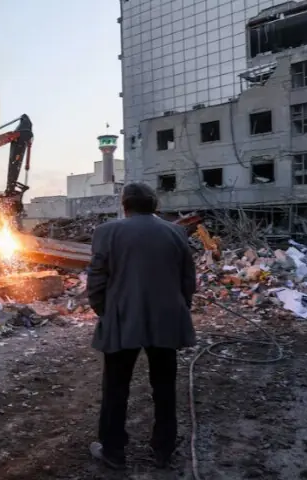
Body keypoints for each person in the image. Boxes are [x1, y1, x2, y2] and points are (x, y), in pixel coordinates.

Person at [86, 182, 197, 469]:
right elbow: (188, 280)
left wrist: (104, 311)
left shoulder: (107, 232)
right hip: (167, 319)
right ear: (154, 204)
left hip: (123, 319)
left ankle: (112, 450)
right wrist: (179, 308)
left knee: (116, 387)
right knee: (164, 386)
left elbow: (96, 280)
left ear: (124, 205)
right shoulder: (176, 232)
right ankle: (164, 449)